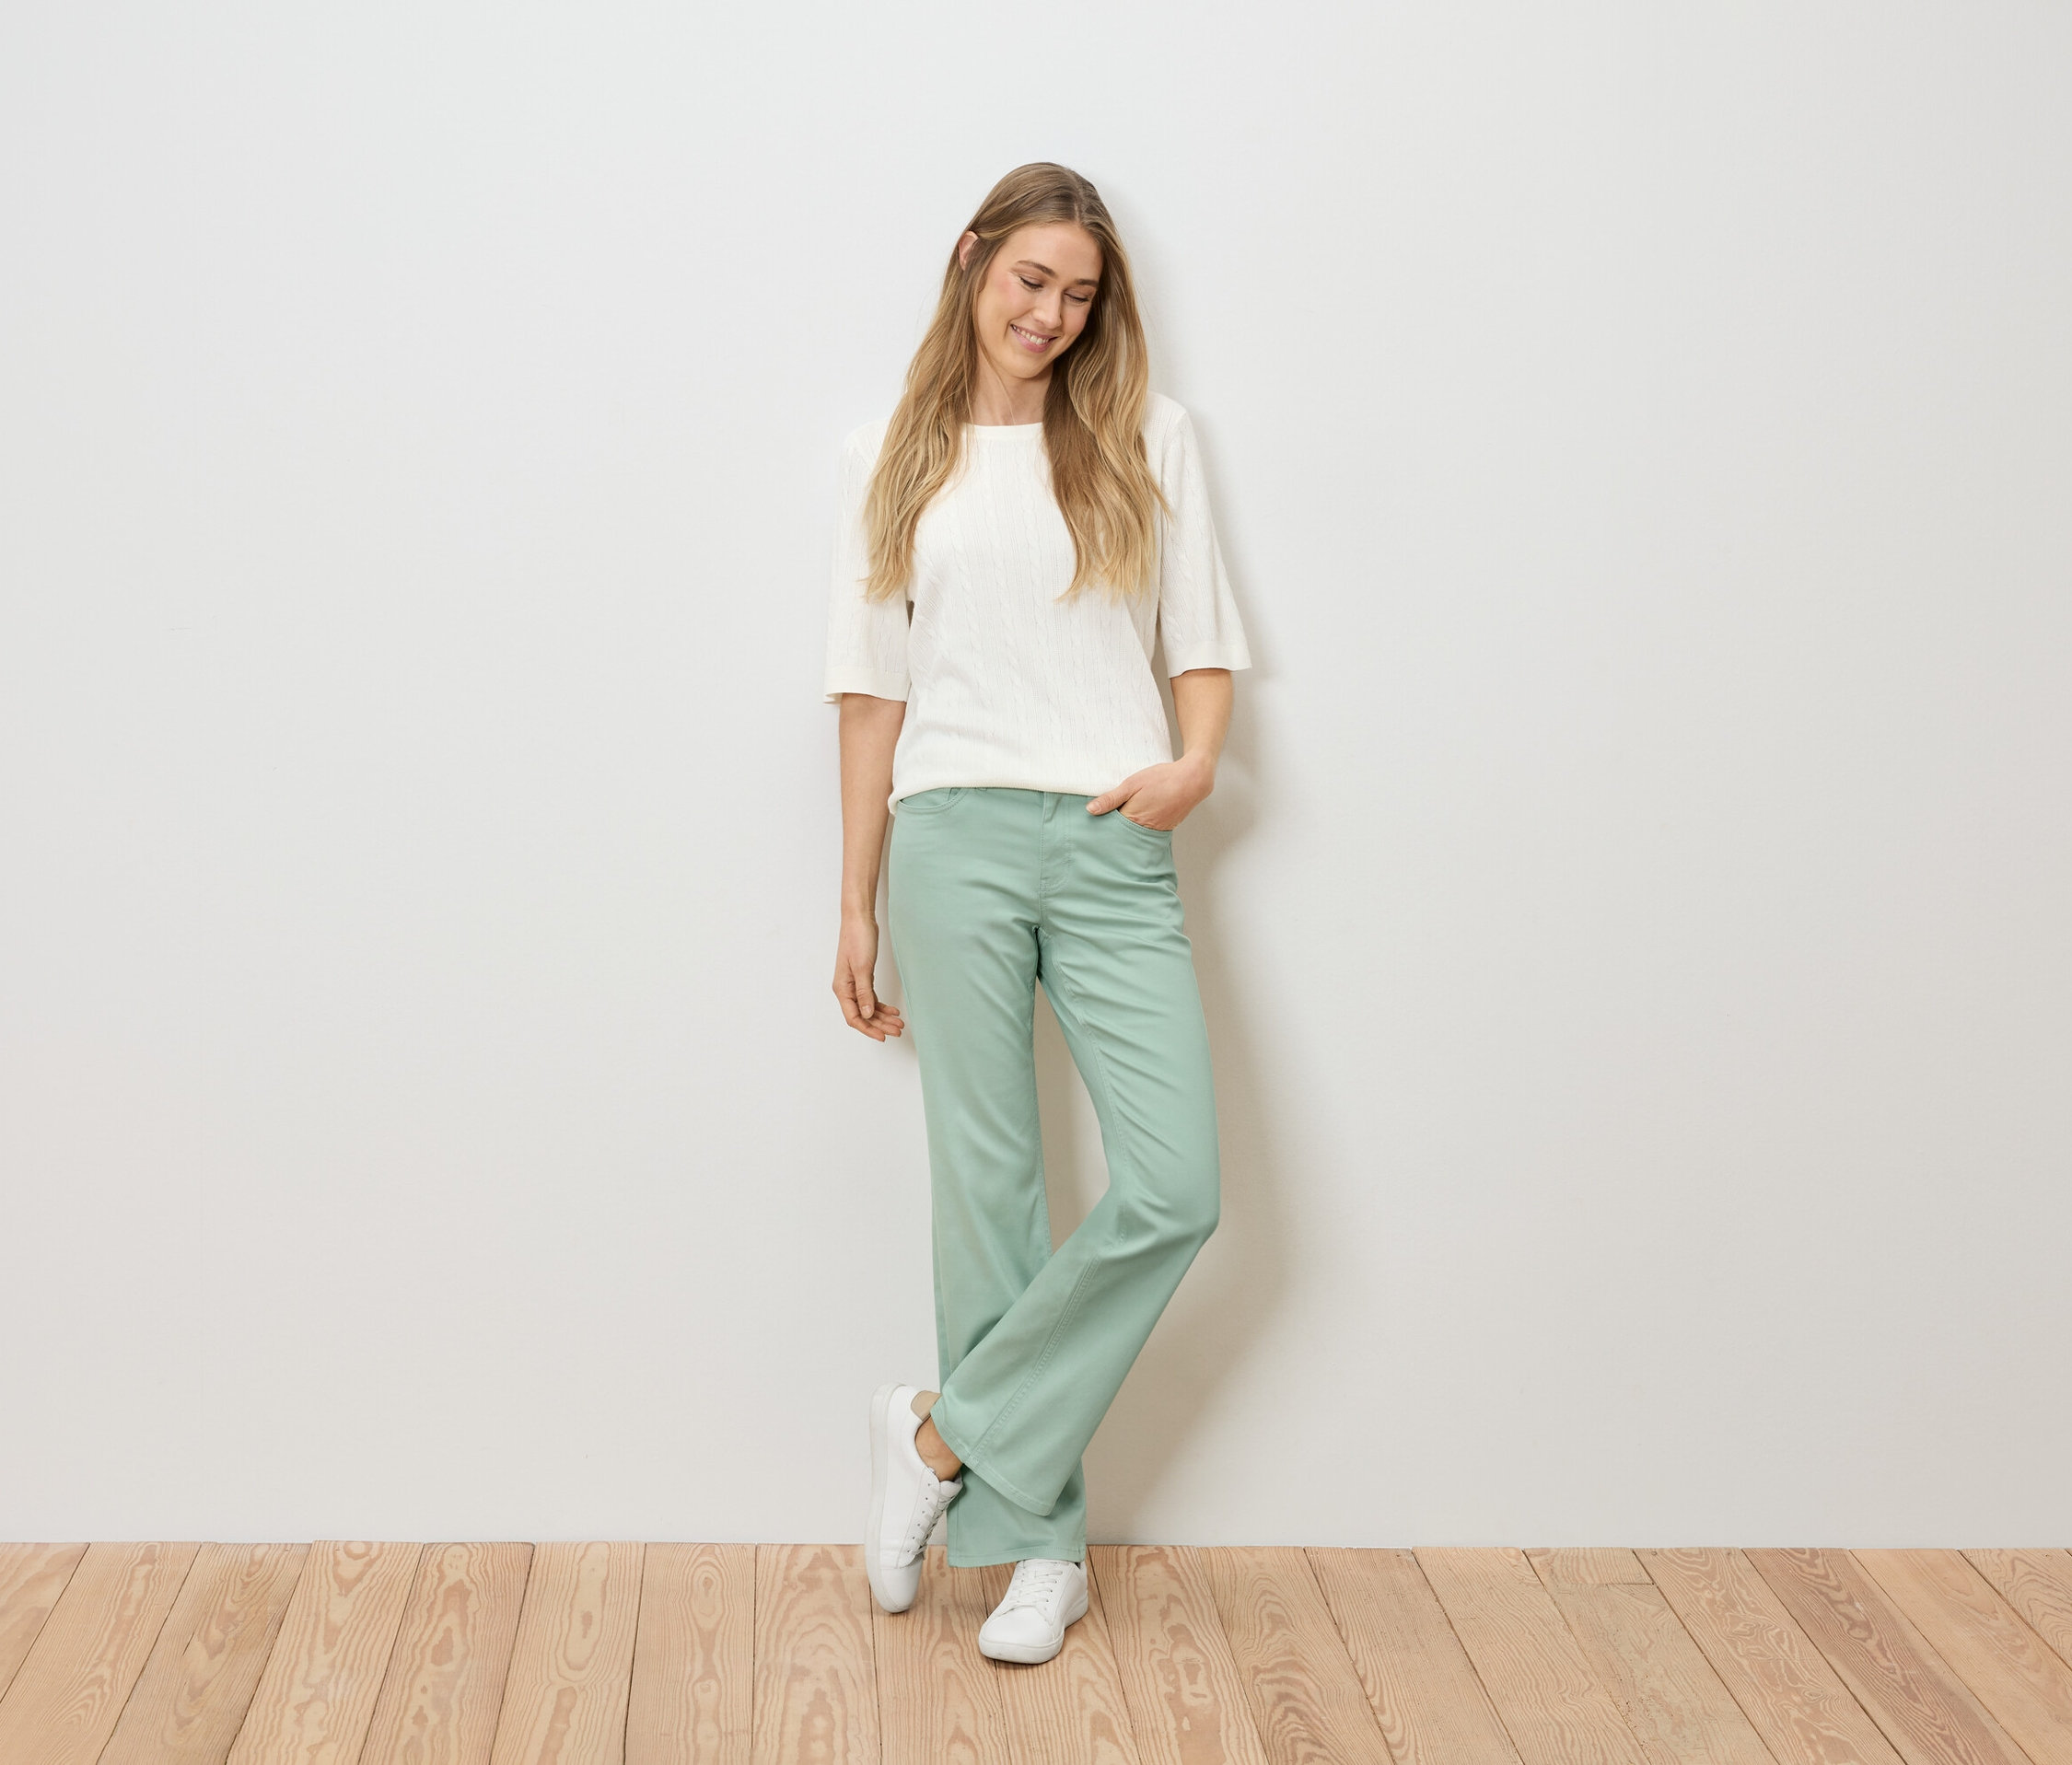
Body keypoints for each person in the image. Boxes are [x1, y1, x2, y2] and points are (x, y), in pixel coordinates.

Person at [824, 161, 1251, 1666]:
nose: (1052, 316)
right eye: (1030, 283)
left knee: (1173, 1184)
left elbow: (1198, 630)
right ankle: (1040, 1548)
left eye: (1078, 295)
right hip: (946, 836)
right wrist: (856, 896)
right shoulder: (905, 448)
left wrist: (1191, 768)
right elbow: (871, 690)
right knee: (990, 1199)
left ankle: (941, 1438)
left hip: (1106, 828)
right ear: (972, 260)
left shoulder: (1146, 433)